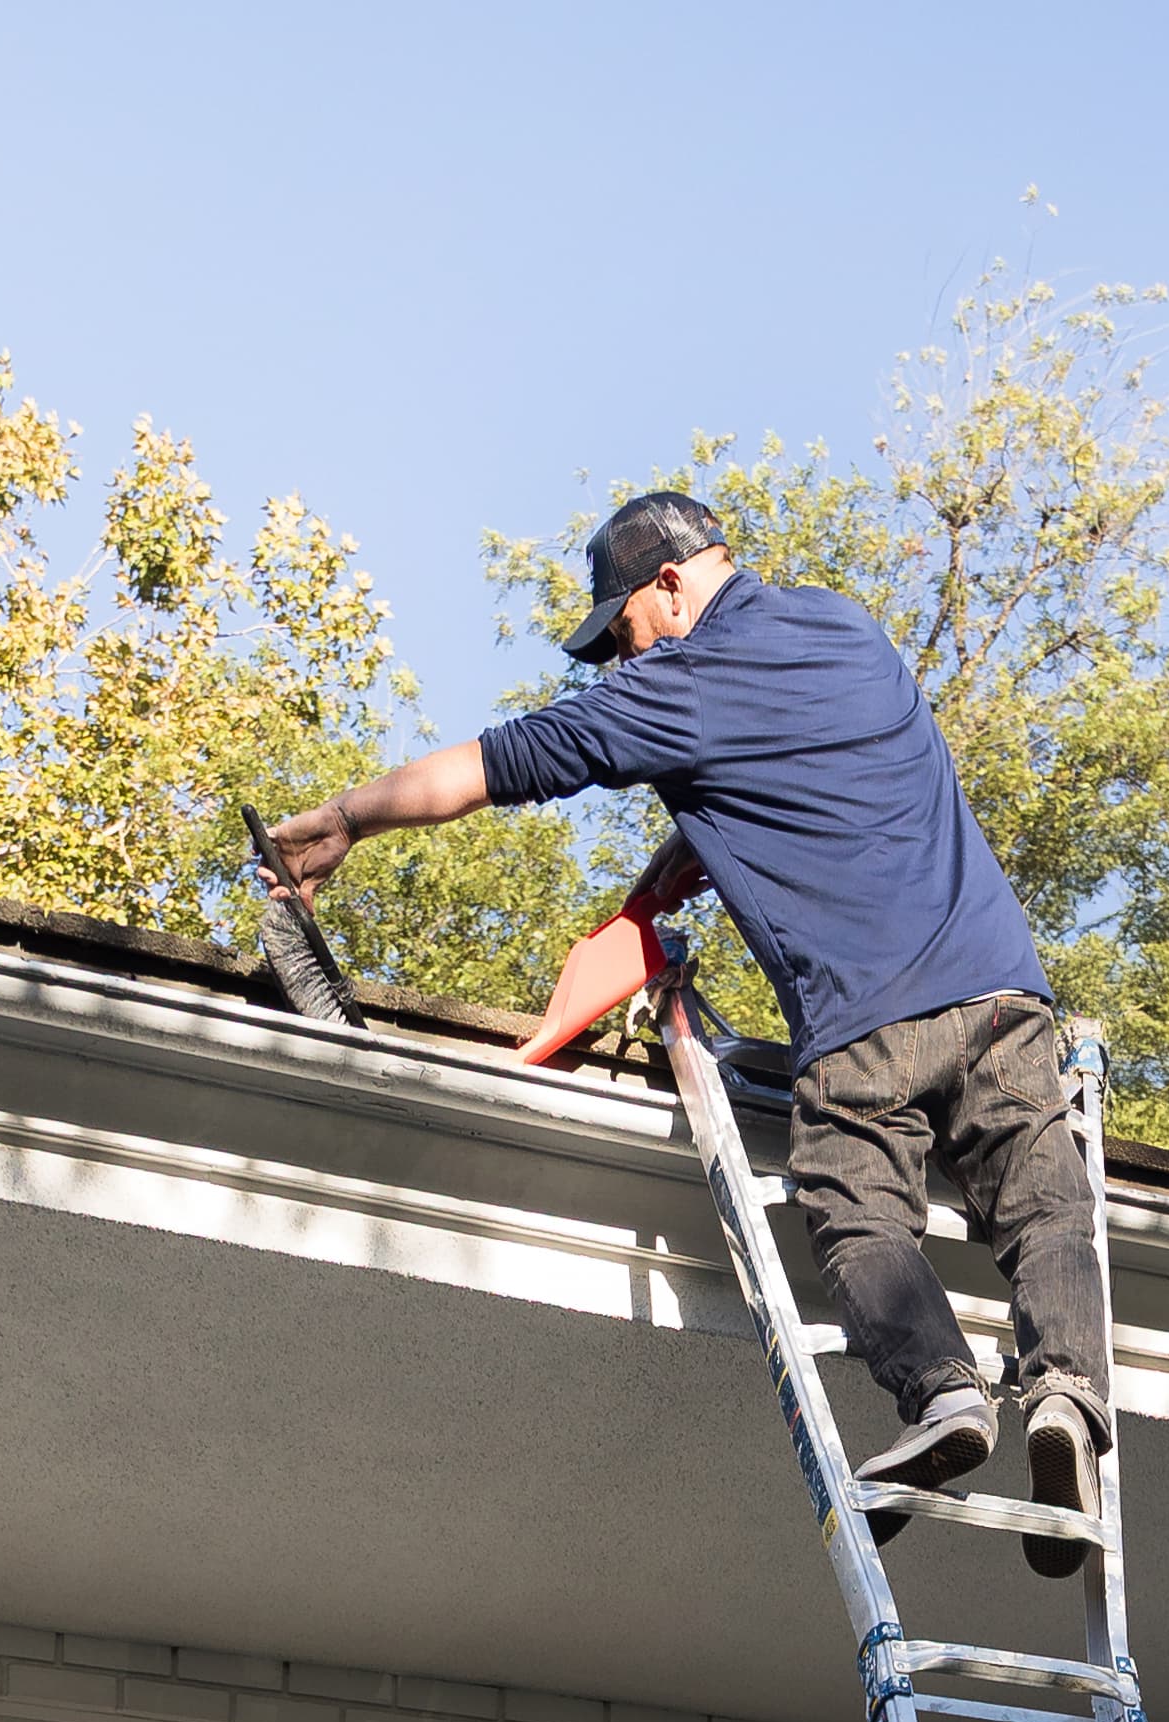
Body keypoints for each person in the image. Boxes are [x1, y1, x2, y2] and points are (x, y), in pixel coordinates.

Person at [257, 491, 1111, 1567]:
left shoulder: (681, 683)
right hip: (1000, 994)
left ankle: (943, 1394)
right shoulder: (844, 626)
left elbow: (497, 763)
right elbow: (832, 781)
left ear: (669, 582)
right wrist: (703, 836)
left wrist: (344, 818)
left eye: (622, 631)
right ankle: (1064, 1396)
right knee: (1043, 1203)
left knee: (855, 1210)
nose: (625, 659)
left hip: (866, 1022)